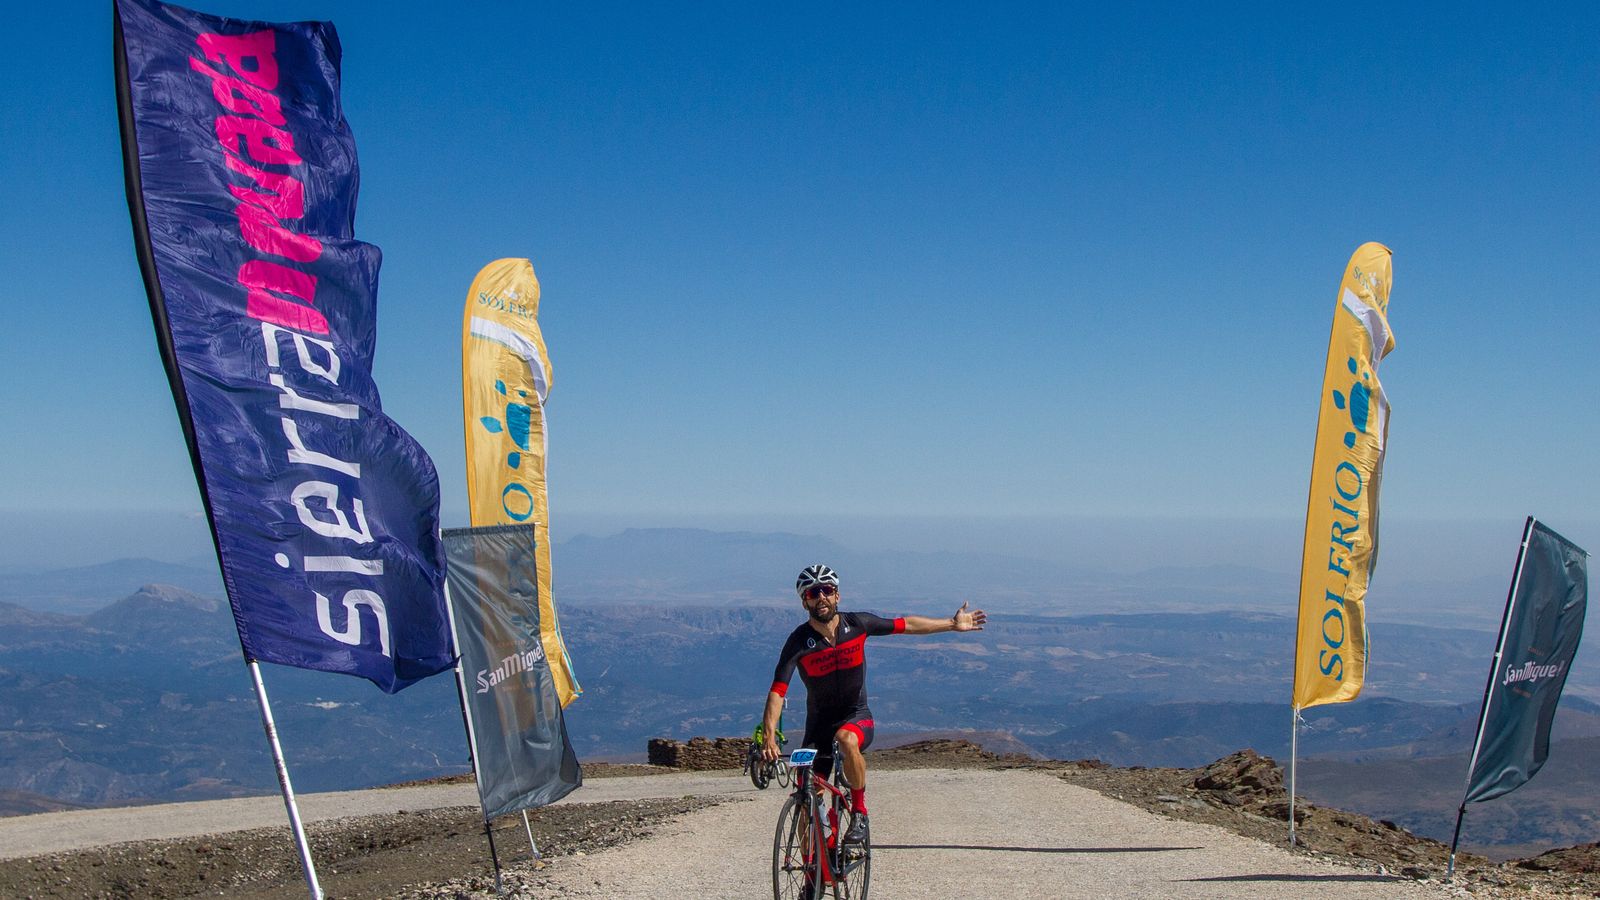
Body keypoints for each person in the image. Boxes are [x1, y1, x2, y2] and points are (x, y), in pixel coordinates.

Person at [761, 563, 986, 845]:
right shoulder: (798, 642)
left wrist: (951, 624)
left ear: (837, 595)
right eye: (813, 593)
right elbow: (777, 692)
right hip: (818, 728)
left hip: (856, 716)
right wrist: (769, 736)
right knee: (806, 798)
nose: (821, 597)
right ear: (804, 601)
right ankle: (810, 868)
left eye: (827, 590)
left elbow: (905, 625)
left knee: (846, 739)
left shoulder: (858, 624)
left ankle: (859, 812)